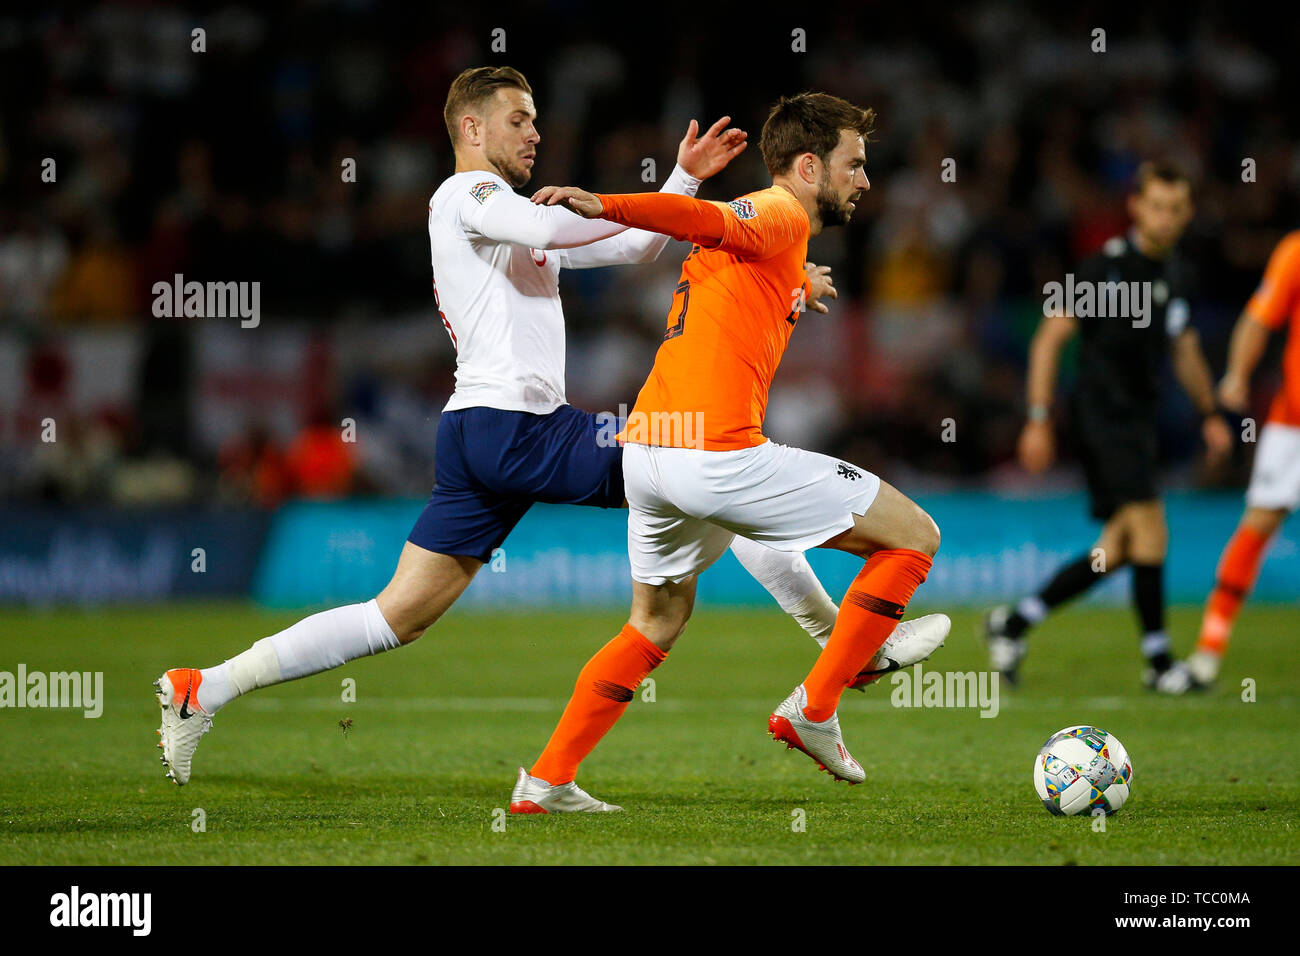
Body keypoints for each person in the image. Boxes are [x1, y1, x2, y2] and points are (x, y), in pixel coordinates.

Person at [152, 67, 848, 786]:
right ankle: (838, 644)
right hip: (517, 428)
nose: (536, 132)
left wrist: (680, 177)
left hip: (479, 434)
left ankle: (205, 686)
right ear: (471, 128)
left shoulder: (507, 219)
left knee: (393, 618)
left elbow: (633, 245)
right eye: (519, 119)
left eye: (536, 119)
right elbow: (554, 223)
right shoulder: (469, 196)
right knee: (700, 460)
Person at [509, 92, 949, 814]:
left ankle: (546, 780)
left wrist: (796, 289)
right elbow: (702, 218)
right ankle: (818, 701)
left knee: (653, 622)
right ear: (809, 167)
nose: (865, 181)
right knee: (912, 538)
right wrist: (604, 204)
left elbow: (730, 279)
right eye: (854, 164)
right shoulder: (775, 210)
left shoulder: (782, 245)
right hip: (713, 455)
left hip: (649, 453)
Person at [986, 161, 1232, 693]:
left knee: (1115, 550)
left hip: (1140, 424)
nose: (1166, 218)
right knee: (1151, 529)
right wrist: (1037, 418)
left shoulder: (1177, 275)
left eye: (1176, 208)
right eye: (1157, 206)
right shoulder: (1104, 270)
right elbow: (1048, 341)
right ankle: (1160, 664)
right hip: (1101, 419)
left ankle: (1014, 621)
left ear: (1187, 213)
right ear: (1137, 208)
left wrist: (1210, 413)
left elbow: (1186, 351)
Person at [1189, 230, 1300, 684]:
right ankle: (1207, 653)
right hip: (1293, 422)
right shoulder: (1295, 251)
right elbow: (1259, 319)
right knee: (1258, 525)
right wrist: (1236, 375)